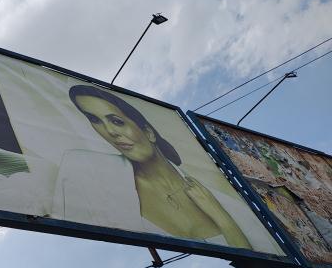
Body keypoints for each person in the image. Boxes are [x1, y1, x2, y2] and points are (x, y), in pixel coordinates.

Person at [68, 84, 252, 248]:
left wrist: (222, 217)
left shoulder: (227, 200)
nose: (109, 132)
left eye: (117, 121)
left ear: (149, 132)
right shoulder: (85, 171)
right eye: (95, 120)